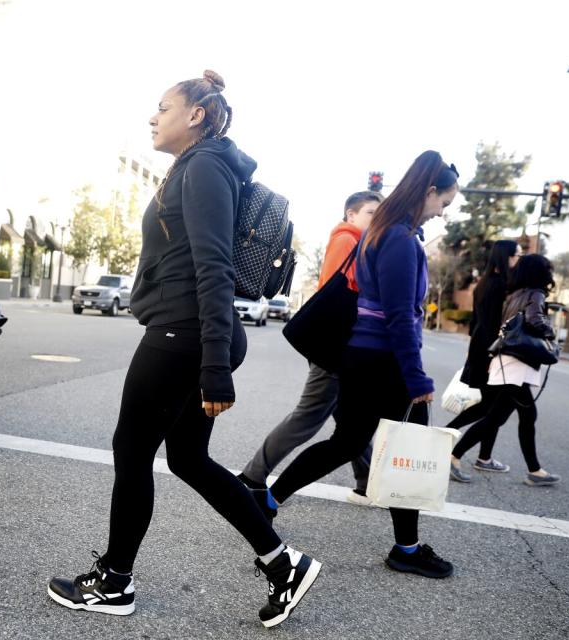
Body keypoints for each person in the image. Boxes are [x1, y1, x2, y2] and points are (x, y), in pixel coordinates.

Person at [47, 71, 321, 628]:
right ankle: (283, 563)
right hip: (190, 333)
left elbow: (214, 266)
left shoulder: (205, 167)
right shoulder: (200, 166)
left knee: (132, 451)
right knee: (189, 458)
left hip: (185, 335)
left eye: (163, 107)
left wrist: (215, 365)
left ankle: (115, 584)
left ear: (195, 115)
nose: (153, 117)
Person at [265, 150, 459, 579]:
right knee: (404, 448)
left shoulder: (384, 232)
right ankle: (405, 549)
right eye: (443, 203)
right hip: (384, 361)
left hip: (363, 356)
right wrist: (415, 375)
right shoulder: (400, 239)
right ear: (428, 192)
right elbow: (396, 314)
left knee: (347, 442)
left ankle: (268, 502)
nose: (443, 214)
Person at [238, 191, 383, 514]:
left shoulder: (360, 241)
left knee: (351, 420)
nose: (376, 218)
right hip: (336, 344)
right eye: (371, 212)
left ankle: (369, 482)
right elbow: (344, 288)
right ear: (351, 214)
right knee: (309, 417)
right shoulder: (348, 238)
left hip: (344, 345)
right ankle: (252, 475)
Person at [450, 254, 561, 487]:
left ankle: (535, 470)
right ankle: (454, 456)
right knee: (498, 418)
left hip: (507, 361)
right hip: (518, 364)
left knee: (513, 416)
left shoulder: (515, 294)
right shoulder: (536, 294)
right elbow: (534, 321)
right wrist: (550, 332)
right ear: (540, 273)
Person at [446, 240, 521, 482]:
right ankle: (449, 435)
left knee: (491, 405)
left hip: (480, 348)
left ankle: (484, 457)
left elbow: (475, 323)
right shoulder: (499, 286)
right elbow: (490, 326)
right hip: (489, 351)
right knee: (492, 407)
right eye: (516, 255)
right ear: (506, 257)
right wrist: (491, 356)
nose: (517, 259)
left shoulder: (484, 283)